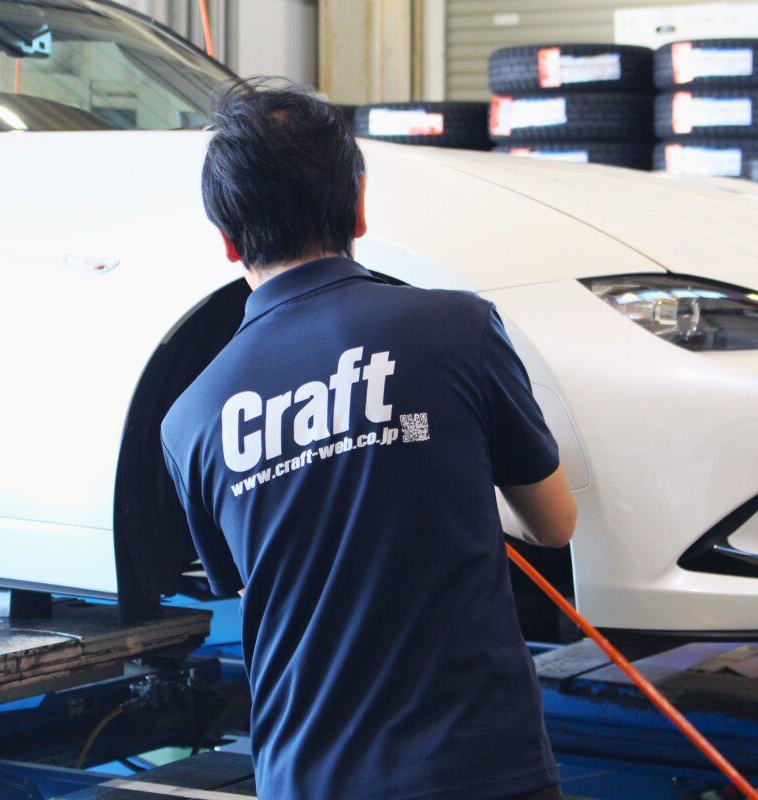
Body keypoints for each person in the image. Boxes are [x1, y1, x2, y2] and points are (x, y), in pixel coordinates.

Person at [161, 79, 577, 800]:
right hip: (476, 771)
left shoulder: (190, 421)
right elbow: (555, 523)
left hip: (309, 776)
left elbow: (258, 578)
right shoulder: (459, 328)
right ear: (358, 203)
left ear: (226, 241)